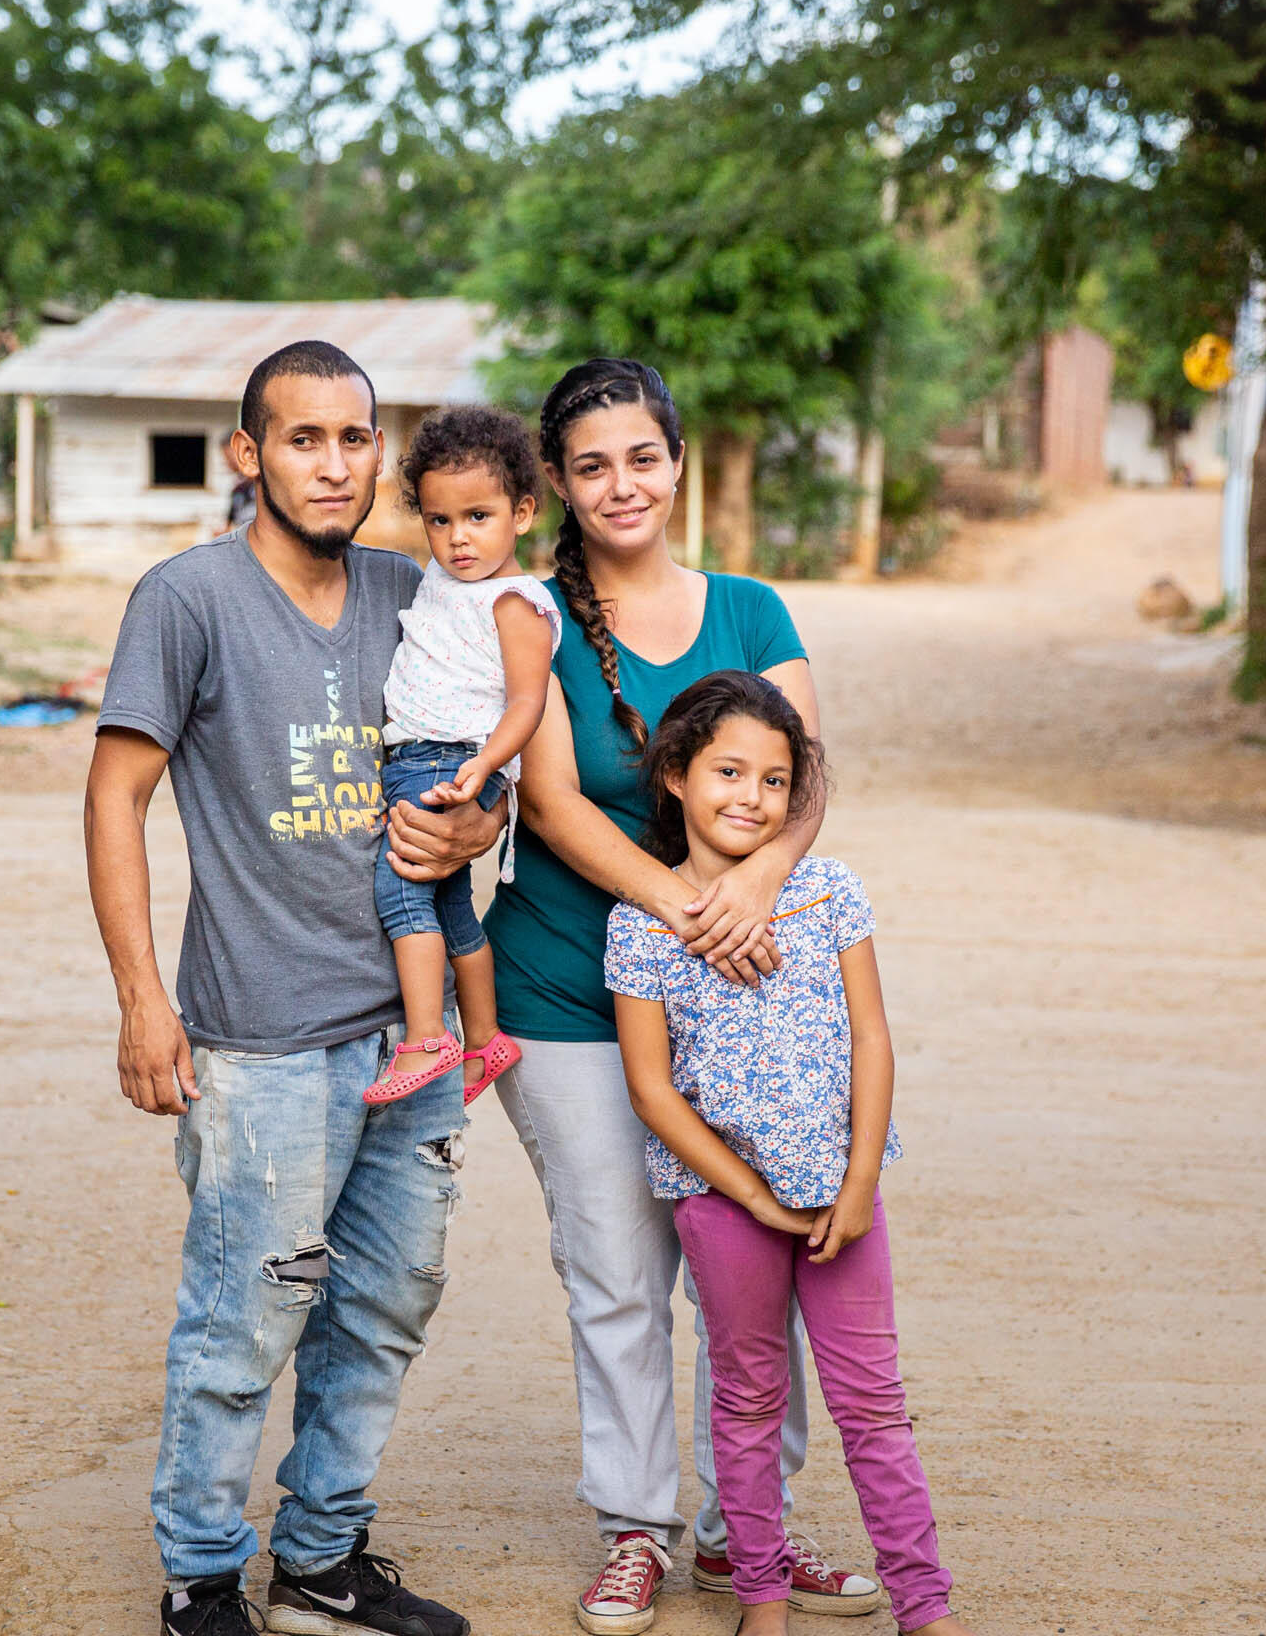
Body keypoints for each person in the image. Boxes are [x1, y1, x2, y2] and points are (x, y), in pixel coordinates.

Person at [86, 340, 504, 1636]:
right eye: (305, 438)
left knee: (383, 1305)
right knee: (244, 1317)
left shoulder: (416, 588)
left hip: (411, 1034)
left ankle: (322, 1559)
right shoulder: (187, 599)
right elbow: (116, 795)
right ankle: (202, 1577)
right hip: (262, 1039)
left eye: (356, 437)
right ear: (248, 455)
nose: (336, 462)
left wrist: (478, 824)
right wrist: (143, 1003)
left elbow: (489, 741)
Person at [481, 359, 883, 1633]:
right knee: (616, 1270)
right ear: (558, 478)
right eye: (590, 464)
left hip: (743, 1007)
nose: (620, 485)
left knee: (754, 1266)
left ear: (678, 458)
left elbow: (804, 779)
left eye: (641, 457)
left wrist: (758, 886)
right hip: (565, 990)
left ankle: (742, 1533)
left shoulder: (752, 610)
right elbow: (547, 802)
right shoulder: (533, 614)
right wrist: (693, 904)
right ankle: (640, 1526)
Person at [605, 673, 965, 1636]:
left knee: (873, 1408)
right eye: (728, 771)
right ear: (676, 776)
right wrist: (753, 1200)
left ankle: (925, 1607)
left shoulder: (827, 892)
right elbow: (652, 1087)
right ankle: (760, 1597)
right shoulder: (643, 923)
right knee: (750, 1396)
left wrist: (858, 1183)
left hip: (844, 1201)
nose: (750, 798)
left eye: (774, 780)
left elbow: (872, 1040)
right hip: (727, 1207)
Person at [361, 406, 560, 1107]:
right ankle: (484, 1039)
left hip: (450, 759)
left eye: (478, 516)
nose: (457, 538)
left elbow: (527, 704)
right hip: (427, 756)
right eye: (439, 521)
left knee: (401, 888)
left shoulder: (514, 602)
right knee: (451, 910)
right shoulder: (444, 582)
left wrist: (486, 767)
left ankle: (425, 1038)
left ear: (523, 513)